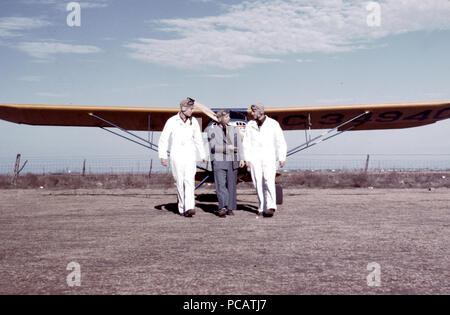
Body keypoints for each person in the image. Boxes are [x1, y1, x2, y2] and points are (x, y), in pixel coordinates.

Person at [158, 98, 207, 217]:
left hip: (190, 155)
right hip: (177, 155)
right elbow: (163, 139)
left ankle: (190, 207)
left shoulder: (194, 121)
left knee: (190, 180)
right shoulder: (171, 121)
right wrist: (163, 156)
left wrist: (202, 154)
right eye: (190, 109)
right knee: (180, 181)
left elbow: (198, 139)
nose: (192, 111)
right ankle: (182, 208)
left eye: (193, 108)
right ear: (183, 108)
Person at [243, 103, 287, 217]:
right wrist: (246, 157)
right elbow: (246, 143)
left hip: (269, 157)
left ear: (260, 112)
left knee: (269, 181)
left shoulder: (273, 124)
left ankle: (271, 206)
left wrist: (282, 157)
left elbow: (280, 141)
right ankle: (261, 207)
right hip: (254, 158)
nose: (252, 113)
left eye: (253, 111)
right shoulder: (250, 125)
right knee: (257, 182)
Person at [207, 110, 245, 217]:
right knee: (221, 185)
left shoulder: (235, 129)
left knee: (232, 185)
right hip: (219, 161)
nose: (229, 118)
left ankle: (230, 208)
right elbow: (213, 147)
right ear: (219, 119)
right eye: (226, 116)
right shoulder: (211, 130)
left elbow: (239, 145)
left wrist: (242, 159)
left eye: (229, 116)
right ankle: (222, 207)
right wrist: (227, 148)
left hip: (233, 161)